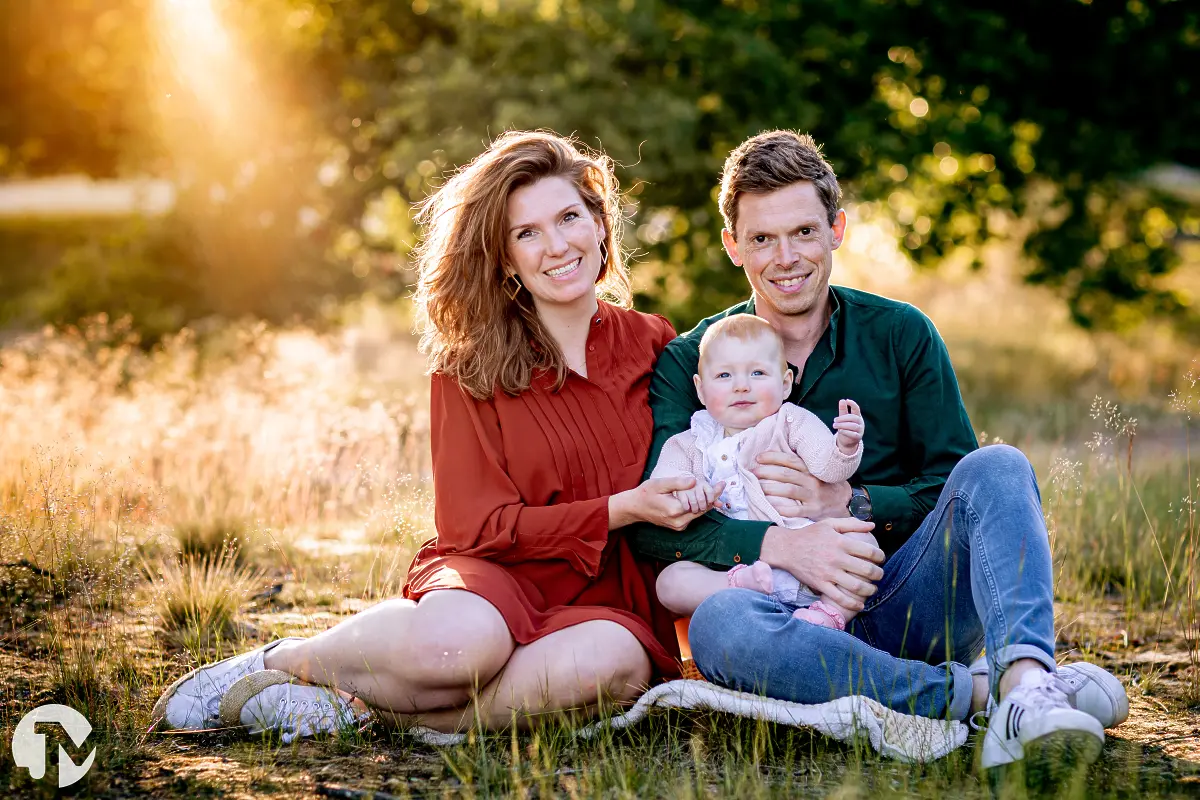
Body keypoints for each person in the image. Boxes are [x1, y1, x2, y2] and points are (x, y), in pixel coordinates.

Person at [152, 131, 713, 740]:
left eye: (569, 218)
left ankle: (362, 713)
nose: (557, 246)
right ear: (504, 258)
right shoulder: (469, 364)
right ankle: (279, 661)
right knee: (460, 651)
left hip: (613, 592)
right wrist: (618, 509)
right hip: (496, 577)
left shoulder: (656, 344)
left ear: (600, 224)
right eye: (526, 233)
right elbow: (473, 527)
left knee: (618, 664)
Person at [631, 130, 1128, 779]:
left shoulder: (901, 334)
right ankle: (981, 696)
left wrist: (851, 501)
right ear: (732, 245)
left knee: (998, 466)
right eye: (761, 238)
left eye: (804, 231)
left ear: (837, 228)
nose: (785, 257)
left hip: (906, 599)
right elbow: (656, 529)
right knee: (721, 624)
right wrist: (781, 546)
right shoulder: (694, 362)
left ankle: (1028, 683)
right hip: (783, 623)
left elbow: (958, 487)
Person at [649, 313, 874, 631]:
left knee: (863, 546)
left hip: (810, 555)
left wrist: (846, 444)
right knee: (670, 583)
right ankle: (741, 587)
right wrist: (690, 490)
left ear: (784, 384)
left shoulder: (789, 422)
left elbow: (829, 467)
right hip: (733, 566)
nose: (741, 386)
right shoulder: (690, 442)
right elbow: (661, 486)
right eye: (724, 376)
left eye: (757, 372)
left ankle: (828, 614)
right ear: (700, 390)